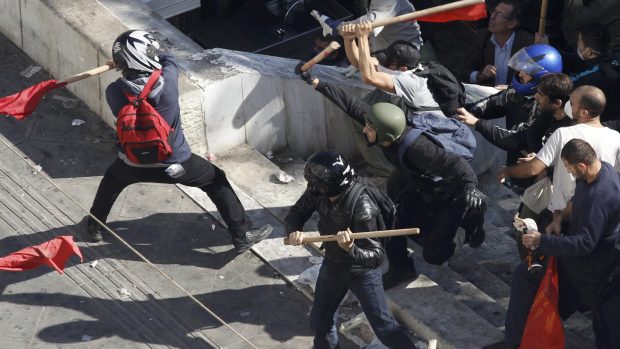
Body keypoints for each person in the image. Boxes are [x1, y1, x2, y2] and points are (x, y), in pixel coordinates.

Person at [294, 66, 486, 288]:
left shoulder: (418, 148)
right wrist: (317, 83)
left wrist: (471, 188)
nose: (364, 130)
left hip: (452, 194)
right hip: (420, 182)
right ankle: (402, 268)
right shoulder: (385, 129)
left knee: (435, 255)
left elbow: (457, 164)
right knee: (388, 220)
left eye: (369, 129)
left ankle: (471, 223)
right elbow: (351, 106)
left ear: (384, 133)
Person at [86, 30, 273, 253]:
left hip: (132, 163)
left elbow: (134, 84)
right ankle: (242, 234)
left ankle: (94, 226)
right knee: (216, 181)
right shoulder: (167, 84)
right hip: (176, 164)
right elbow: (168, 59)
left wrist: (121, 63)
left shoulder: (114, 91)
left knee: (111, 181)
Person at [485, 139, 620, 349]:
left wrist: (542, 240)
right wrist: (559, 218)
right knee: (526, 275)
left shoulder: (599, 199)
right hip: (576, 265)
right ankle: (517, 342)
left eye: (569, 168)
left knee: (549, 303)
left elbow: (585, 244)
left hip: (591, 275)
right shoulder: (601, 169)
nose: (569, 173)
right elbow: (576, 200)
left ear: (581, 165)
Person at [285, 150, 415, 349]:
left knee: (384, 327)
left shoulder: (363, 208)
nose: (311, 189)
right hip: (333, 264)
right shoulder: (318, 191)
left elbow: (376, 257)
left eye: (316, 185)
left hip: (361, 272)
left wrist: (351, 248)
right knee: (320, 320)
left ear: (330, 186)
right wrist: (294, 231)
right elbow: (296, 214)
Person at [457, 73, 575, 257]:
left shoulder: (570, 130)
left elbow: (539, 166)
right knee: (523, 230)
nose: (535, 97)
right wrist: (477, 123)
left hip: (562, 198)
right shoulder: (545, 116)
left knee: (541, 241)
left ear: (558, 103)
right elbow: (517, 139)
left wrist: (543, 164)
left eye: (541, 95)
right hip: (539, 188)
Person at [497, 85, 620, 231]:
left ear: (584, 112)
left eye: (573, 103)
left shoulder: (563, 134)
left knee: (530, 240)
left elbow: (533, 168)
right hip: (595, 218)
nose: (568, 105)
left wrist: (507, 171)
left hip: (560, 217)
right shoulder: (616, 138)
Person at [465, 44, 563, 181]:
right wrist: (466, 110)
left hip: (536, 171)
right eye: (520, 69)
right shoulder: (517, 91)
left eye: (526, 72)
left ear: (541, 78)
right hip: (514, 162)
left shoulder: (545, 107)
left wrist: (477, 123)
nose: (520, 74)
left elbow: (516, 139)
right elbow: (493, 103)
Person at [341, 22, 446, 117]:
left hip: (431, 127)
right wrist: (349, 39)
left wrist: (363, 38)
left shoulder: (409, 82)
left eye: (388, 62)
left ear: (403, 69)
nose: (383, 64)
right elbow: (359, 62)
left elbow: (368, 77)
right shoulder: (399, 69)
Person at [466, 0, 533, 87]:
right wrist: (480, 75)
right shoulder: (481, 37)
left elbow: (533, 81)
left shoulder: (528, 43)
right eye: (493, 11)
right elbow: (464, 72)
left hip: (514, 97)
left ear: (511, 23)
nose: (492, 16)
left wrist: (510, 88)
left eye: (499, 14)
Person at [311, 0, 423, 52]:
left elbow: (371, 26)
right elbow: (376, 34)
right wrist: (363, 60)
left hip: (409, 57)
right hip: (387, 53)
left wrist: (337, 28)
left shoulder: (389, 1)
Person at [569, 25, 620, 121]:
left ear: (588, 51)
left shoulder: (595, 75)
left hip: (604, 121)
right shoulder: (612, 56)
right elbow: (575, 60)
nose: (577, 43)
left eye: (579, 42)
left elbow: (565, 85)